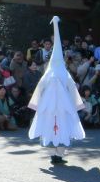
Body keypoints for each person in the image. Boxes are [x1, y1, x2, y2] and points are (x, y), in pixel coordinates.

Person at [28, 17, 86, 165]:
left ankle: (56, 155)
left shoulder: (50, 74)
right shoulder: (63, 74)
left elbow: (40, 89)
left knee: (56, 128)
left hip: (58, 108)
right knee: (57, 128)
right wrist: (76, 105)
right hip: (56, 108)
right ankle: (56, 155)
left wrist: (36, 105)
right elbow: (72, 89)